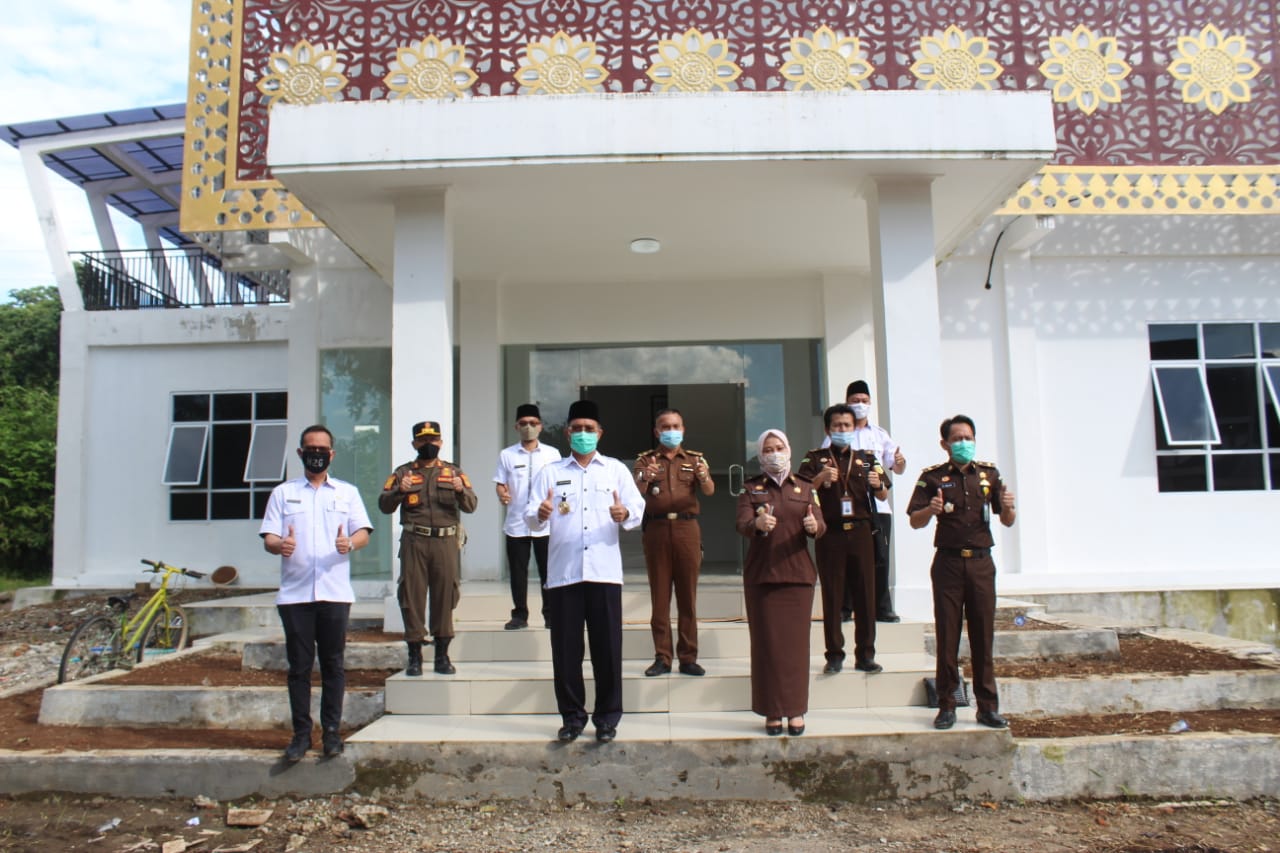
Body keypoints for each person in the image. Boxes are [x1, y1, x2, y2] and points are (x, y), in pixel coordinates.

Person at [526, 399, 645, 744]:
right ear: (567, 433)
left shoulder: (614, 470)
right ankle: (572, 717)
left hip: (604, 574)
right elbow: (530, 516)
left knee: (608, 649)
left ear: (600, 433)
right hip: (564, 574)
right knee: (566, 651)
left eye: (588, 429)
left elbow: (637, 508)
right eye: (576, 429)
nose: (582, 434)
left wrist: (625, 515)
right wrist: (541, 513)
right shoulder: (550, 472)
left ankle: (607, 718)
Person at [260, 424, 373, 763]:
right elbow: (269, 537)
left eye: (323, 450)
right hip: (295, 596)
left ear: (332, 454)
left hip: (334, 593)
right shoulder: (283, 493)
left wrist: (349, 543)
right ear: (300, 453)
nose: (317, 454)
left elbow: (363, 532)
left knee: (333, 665)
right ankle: (300, 734)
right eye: (311, 449)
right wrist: (280, 544)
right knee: (299, 667)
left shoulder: (347, 493)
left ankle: (332, 733)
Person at [906, 414, 1016, 731]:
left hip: (981, 563)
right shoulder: (932, 477)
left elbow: (1007, 520)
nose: (963, 443)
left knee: (983, 637)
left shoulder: (989, 474)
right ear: (945, 444)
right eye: (957, 439)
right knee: (947, 636)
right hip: (949, 564)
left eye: (968, 437)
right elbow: (914, 520)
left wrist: (1009, 506)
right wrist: (930, 510)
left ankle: (988, 707)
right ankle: (947, 705)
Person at [735, 429, 824, 737]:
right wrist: (757, 524)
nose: (774, 453)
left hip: (798, 576)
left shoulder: (805, 487)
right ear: (760, 455)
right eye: (768, 449)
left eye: (779, 447)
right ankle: (772, 711)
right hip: (762, 577)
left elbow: (820, 522)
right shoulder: (751, 488)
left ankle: (795, 710)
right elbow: (741, 523)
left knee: (796, 649)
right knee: (767, 647)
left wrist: (814, 526)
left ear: (789, 450)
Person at [379, 421, 477, 676]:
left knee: (445, 594)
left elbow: (471, 505)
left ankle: (442, 654)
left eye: (433, 440)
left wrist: (460, 491)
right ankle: (415, 654)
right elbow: (384, 505)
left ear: (441, 442)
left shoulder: (453, 472)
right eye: (422, 440)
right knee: (411, 595)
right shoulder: (403, 473)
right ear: (414, 443)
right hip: (415, 540)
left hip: (445, 541)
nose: (428, 444)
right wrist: (399, 491)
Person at [798, 404, 889, 675]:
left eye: (847, 425)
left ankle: (866, 654)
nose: (842, 429)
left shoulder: (867, 458)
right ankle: (834, 654)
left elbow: (883, 494)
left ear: (853, 428)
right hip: (831, 531)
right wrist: (820, 478)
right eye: (837, 425)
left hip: (861, 531)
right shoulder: (815, 459)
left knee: (865, 594)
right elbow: (800, 492)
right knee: (833, 594)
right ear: (828, 429)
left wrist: (878, 485)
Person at [634, 408, 714, 677]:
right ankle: (662, 657)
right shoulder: (645, 460)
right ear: (657, 432)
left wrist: (704, 476)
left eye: (676, 426)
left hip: (686, 529)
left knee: (687, 597)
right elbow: (636, 490)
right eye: (665, 427)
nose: (671, 431)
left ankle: (688, 657)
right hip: (656, 529)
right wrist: (646, 477)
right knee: (660, 598)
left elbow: (709, 490)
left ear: (683, 429)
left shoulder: (695, 459)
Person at [840, 380, 907, 623]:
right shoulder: (840, 433)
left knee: (880, 557)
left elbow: (896, 466)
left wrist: (900, 461)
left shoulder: (879, 435)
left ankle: (882, 607)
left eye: (864, 401)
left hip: (878, 507)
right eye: (855, 401)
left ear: (870, 403)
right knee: (848, 557)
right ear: (847, 403)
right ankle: (845, 608)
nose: (860, 405)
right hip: (849, 507)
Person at [493, 403, 562, 630]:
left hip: (546, 523)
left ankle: (551, 614)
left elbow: (559, 484)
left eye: (533, 423)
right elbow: (500, 483)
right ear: (516, 426)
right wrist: (502, 494)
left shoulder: (552, 454)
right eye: (523, 423)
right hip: (517, 523)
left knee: (548, 571)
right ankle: (520, 615)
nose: (528, 427)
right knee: (517, 572)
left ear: (540, 426)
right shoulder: (507, 454)